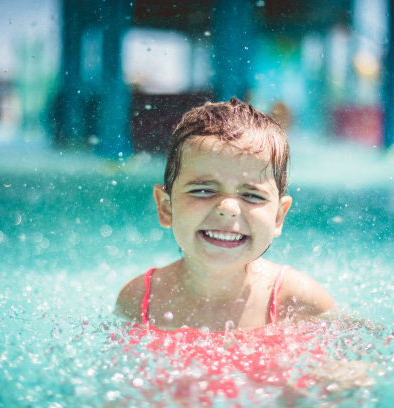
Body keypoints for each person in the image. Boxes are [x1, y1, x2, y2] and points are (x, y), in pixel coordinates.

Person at [115, 97, 336, 332]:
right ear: (166, 208)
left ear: (278, 217)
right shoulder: (140, 300)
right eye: (203, 190)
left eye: (253, 195)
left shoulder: (299, 302)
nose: (228, 208)